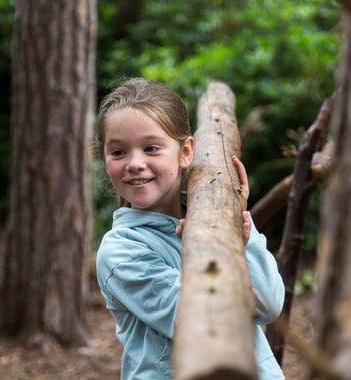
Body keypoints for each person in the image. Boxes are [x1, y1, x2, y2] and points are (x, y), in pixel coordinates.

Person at [95, 78, 285, 380]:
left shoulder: (218, 216)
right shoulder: (121, 252)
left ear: (186, 153)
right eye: (118, 152)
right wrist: (206, 250)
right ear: (105, 160)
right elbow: (203, 323)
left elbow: (269, 305)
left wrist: (240, 236)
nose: (134, 163)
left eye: (151, 148)